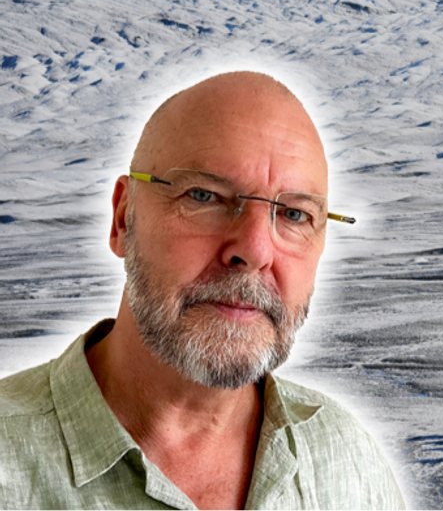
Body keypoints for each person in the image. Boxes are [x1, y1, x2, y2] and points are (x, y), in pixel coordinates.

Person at [0, 72, 405, 509]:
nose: (252, 250)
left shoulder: (347, 463)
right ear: (123, 219)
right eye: (205, 196)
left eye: (293, 215)